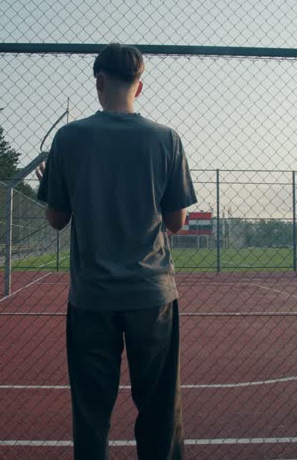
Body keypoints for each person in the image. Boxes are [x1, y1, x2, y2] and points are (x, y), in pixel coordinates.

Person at [37, 43, 196, 460]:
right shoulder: (166, 139)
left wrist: (56, 184)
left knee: (91, 412)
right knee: (160, 408)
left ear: (99, 82)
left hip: (91, 297)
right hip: (152, 295)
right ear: (139, 87)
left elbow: (57, 220)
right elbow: (176, 223)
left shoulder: (68, 138)